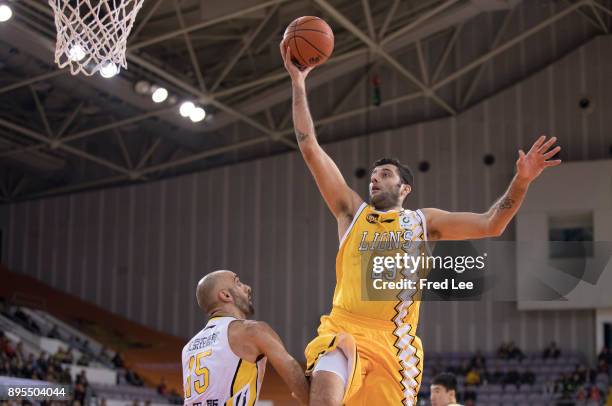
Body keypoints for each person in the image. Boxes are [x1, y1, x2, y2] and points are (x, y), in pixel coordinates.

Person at [281, 41, 562, 406]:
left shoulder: (423, 222)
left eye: (385, 174)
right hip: (344, 328)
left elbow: (492, 224)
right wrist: (298, 84)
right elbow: (309, 147)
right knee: (325, 391)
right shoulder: (352, 213)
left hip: (394, 343)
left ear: (405, 187)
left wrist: (521, 182)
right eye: (373, 175)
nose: (375, 179)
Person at [182, 270, 309, 405]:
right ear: (225, 295)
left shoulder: (188, 347)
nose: (247, 287)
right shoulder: (252, 330)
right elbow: (293, 372)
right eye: (238, 283)